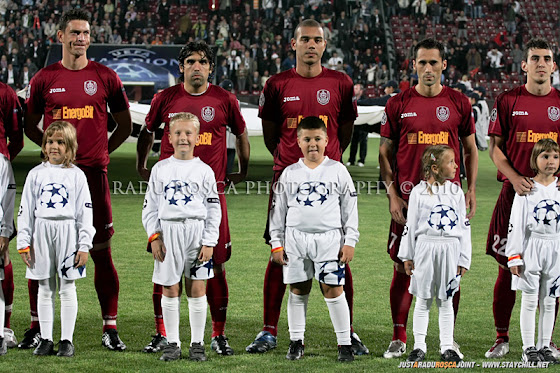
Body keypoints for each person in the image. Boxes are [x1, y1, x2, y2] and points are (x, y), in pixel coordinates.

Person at [247, 19, 369, 356]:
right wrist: (289, 162)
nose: (311, 45)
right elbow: (271, 134)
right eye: (305, 40)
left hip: (329, 178)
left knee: (340, 253)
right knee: (279, 254)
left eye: (317, 40)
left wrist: (327, 161)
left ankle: (350, 332)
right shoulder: (276, 83)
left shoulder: (341, 83)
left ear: (325, 45)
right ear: (294, 44)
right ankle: (269, 331)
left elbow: (343, 132)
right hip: (287, 177)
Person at [23, 9, 132, 351]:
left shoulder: (105, 76)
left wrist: (102, 152)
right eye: (74, 33)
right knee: (39, 255)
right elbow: (29, 125)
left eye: (85, 33)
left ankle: (109, 327)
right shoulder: (44, 78)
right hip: (54, 178)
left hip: (93, 175)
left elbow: (125, 125)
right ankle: (36, 327)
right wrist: (53, 155)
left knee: (100, 252)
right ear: (60, 37)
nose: (80, 39)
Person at [137, 40, 250, 356]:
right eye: (190, 62)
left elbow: (240, 134)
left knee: (216, 264)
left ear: (211, 67)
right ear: (181, 66)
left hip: (209, 199)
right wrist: (141, 165)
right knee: (163, 265)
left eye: (202, 61)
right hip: (170, 203)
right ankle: (164, 334)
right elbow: (147, 131)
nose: (196, 66)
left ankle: (217, 334)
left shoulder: (225, 99)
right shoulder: (165, 98)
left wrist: (241, 170)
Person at [379, 38, 478, 359]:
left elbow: (470, 149)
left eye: (434, 63)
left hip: (448, 200)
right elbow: (385, 152)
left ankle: (447, 340)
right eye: (422, 63)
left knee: (452, 270)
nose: (428, 69)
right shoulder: (398, 103)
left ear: (444, 66)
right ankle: (400, 336)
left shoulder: (460, 102)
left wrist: (471, 189)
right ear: (414, 65)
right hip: (409, 200)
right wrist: (392, 193)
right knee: (402, 266)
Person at [485, 38, 560, 359]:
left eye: (547, 58)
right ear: (524, 65)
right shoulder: (508, 100)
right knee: (507, 266)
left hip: (553, 198)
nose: (541, 63)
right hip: (513, 195)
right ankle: (502, 337)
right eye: (535, 58)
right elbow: (494, 147)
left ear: (554, 66)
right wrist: (515, 178)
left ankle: (545, 341)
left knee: (553, 271)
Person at [269, 116, 358, 362]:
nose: (312, 144)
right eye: (307, 139)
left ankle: (345, 343)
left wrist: (350, 241)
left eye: (317, 139)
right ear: (298, 141)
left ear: (327, 140)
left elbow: (350, 208)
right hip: (295, 240)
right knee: (298, 290)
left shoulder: (338, 170)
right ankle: (296, 341)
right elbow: (278, 212)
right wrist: (276, 244)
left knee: (334, 290)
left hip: (329, 240)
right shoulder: (289, 174)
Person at [142, 113, 221, 362]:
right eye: (178, 133)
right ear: (169, 137)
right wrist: (154, 237)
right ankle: (172, 343)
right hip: (168, 232)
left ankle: (197, 343)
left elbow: (213, 208)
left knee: (197, 288)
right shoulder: (161, 169)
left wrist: (209, 241)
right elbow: (150, 207)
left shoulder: (204, 170)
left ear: (197, 137)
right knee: (170, 288)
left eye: (188, 133)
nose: (183, 138)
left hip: (197, 234)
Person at [17, 121, 94, 357]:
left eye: (60, 142)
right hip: (41, 230)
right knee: (44, 287)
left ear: (70, 146)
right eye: (50, 141)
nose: (54, 146)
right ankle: (47, 338)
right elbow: (25, 210)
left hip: (67, 232)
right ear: (44, 145)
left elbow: (85, 212)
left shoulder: (77, 176)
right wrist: (23, 242)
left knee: (67, 286)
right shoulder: (35, 174)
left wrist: (84, 245)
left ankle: (66, 340)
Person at [398, 145, 471, 363]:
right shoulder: (418, 192)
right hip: (425, 249)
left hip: (450, 249)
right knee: (423, 299)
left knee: (446, 299)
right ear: (435, 168)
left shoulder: (457, 192)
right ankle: (419, 346)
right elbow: (410, 226)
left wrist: (463, 257)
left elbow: (464, 226)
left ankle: (447, 346)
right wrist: (407, 255)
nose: (456, 166)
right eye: (451, 162)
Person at [506, 138, 560, 363]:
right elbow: (516, 224)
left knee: (549, 300)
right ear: (534, 160)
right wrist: (514, 255)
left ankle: (545, 345)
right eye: (545, 156)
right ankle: (529, 347)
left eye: (555, 157)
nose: (551, 162)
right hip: (532, 248)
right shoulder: (526, 188)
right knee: (529, 299)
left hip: (555, 248)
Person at [0, 81, 23, 350]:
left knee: (2, 248)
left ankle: (5, 327)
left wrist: (4, 161)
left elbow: (16, 137)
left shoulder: (5, 93)